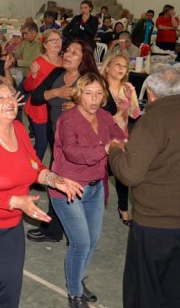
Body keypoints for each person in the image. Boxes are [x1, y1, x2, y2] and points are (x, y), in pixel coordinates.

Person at [0, 76, 83, 308]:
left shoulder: (20, 130)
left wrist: (55, 180)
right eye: (0, 97)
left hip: (9, 223)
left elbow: (35, 167)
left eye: (11, 95)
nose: (9, 101)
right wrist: (14, 201)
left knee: (12, 287)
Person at [108, 66, 180, 308]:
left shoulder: (153, 121)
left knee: (144, 291)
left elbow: (130, 173)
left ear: (150, 93)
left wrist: (115, 151)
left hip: (155, 224)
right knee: (178, 290)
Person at [27, 40, 116, 243]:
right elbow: (37, 97)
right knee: (58, 183)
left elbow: (110, 107)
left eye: (73, 52)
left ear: (83, 58)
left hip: (82, 144)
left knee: (73, 185)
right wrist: (56, 92)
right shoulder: (57, 74)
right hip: (57, 140)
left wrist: (80, 106)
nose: (67, 54)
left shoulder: (89, 80)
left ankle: (67, 231)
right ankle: (58, 230)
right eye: (67, 51)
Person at [50, 73, 126, 308]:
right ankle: (74, 292)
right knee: (80, 242)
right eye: (88, 93)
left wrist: (120, 140)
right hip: (69, 188)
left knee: (92, 241)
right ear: (79, 93)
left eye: (98, 93)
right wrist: (105, 147)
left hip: (95, 188)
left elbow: (118, 135)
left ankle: (77, 281)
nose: (94, 99)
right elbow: (73, 152)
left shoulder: (104, 116)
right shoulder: (69, 119)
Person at [99, 53, 141, 226]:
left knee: (122, 176)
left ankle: (123, 209)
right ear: (107, 67)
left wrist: (131, 97)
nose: (121, 69)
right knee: (98, 175)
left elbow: (135, 114)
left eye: (124, 66)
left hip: (121, 137)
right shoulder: (98, 86)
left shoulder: (128, 87)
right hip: (100, 137)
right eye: (117, 65)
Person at [23, 29, 63, 160]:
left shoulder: (63, 61)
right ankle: (32, 173)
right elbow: (27, 87)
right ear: (45, 45)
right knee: (42, 144)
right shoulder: (39, 62)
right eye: (53, 40)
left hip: (56, 108)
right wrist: (33, 75)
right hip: (40, 108)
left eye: (59, 40)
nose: (57, 43)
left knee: (55, 142)